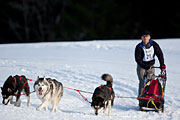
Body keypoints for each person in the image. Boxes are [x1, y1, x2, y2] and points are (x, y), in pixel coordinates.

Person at [134, 31, 166, 97]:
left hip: (151, 66)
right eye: (143, 36)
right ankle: (141, 98)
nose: (145, 38)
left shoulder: (154, 45)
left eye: (146, 36)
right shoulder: (139, 47)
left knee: (152, 81)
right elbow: (138, 59)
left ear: (149, 37)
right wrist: (145, 66)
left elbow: (159, 54)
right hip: (141, 66)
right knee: (142, 82)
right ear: (141, 38)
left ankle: (151, 96)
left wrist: (162, 64)